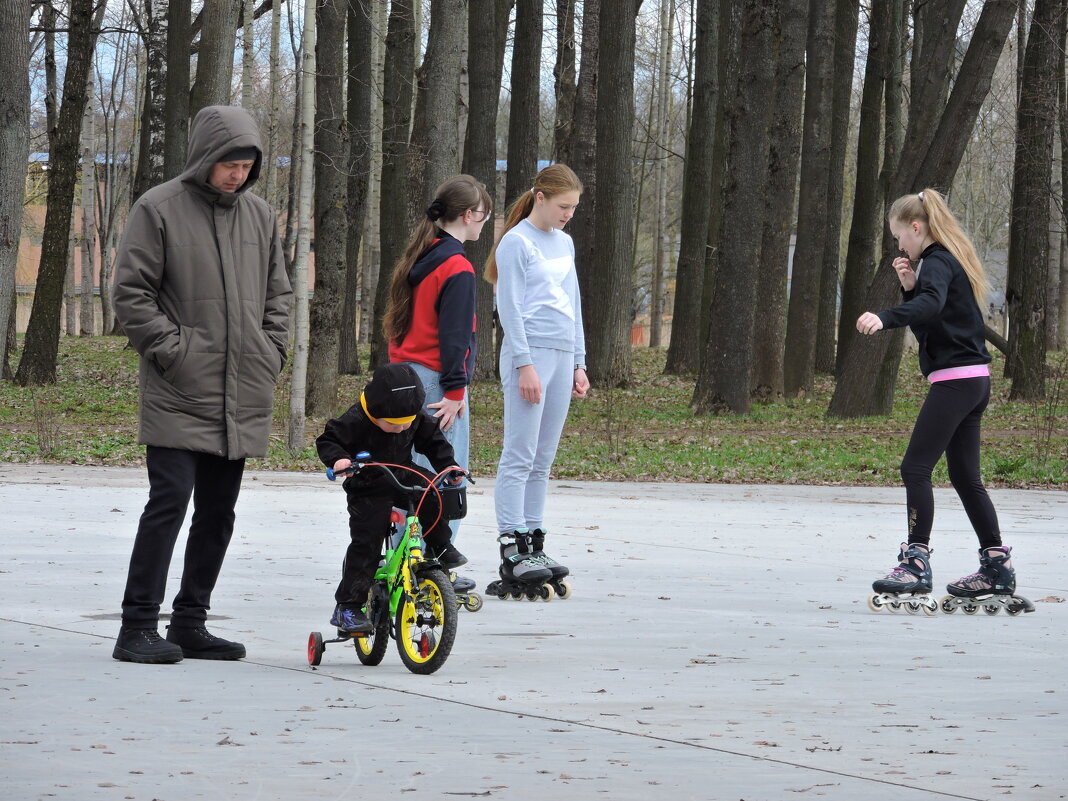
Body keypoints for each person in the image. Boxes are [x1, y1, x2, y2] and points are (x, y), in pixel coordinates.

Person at [111, 105, 292, 664]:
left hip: (240, 390)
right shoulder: (158, 208)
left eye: (246, 165)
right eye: (228, 164)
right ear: (205, 158)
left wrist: (271, 350)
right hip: (179, 388)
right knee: (169, 502)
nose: (237, 174)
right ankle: (137, 626)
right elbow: (130, 294)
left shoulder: (259, 216)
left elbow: (278, 294)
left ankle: (190, 621)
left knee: (219, 511)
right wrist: (177, 351)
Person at [857, 188, 1018, 604]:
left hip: (956, 383)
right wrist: (910, 288)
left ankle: (915, 561)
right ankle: (997, 567)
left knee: (915, 468)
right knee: (966, 478)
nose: (899, 246)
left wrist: (886, 315)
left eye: (899, 237)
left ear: (915, 228)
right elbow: (935, 321)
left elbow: (929, 307)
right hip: (973, 380)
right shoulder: (943, 262)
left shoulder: (937, 261)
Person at [484, 163, 590, 594]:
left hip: (563, 353)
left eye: (575, 208)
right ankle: (512, 544)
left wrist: (580, 363)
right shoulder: (515, 242)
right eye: (564, 206)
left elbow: (574, 304)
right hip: (529, 354)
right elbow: (509, 308)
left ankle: (535, 538)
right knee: (520, 453)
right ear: (540, 197)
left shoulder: (564, 242)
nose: (569, 214)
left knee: (543, 457)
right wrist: (525, 364)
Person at [384, 175, 492, 593]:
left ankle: (399, 564)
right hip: (436, 387)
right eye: (482, 216)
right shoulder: (457, 267)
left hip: (405, 378)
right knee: (443, 479)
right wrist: (455, 392)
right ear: (468, 216)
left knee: (406, 479)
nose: (483, 225)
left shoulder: (419, 256)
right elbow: (455, 336)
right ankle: (433, 571)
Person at [315, 363, 466, 632]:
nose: (404, 427)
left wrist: (448, 466)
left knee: (431, 492)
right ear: (375, 413)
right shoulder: (356, 418)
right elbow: (329, 440)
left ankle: (439, 547)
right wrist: (339, 460)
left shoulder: (410, 416)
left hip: (401, 471)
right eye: (395, 425)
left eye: (408, 421)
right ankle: (348, 607)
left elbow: (433, 441)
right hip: (368, 483)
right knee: (367, 543)